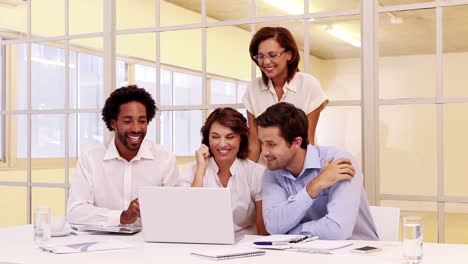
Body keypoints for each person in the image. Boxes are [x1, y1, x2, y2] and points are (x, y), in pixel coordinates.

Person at [256, 102, 378, 240]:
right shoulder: (272, 172)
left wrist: (290, 233)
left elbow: (337, 231)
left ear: (296, 142)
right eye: (261, 143)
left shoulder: (339, 162)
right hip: (306, 253)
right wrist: (314, 186)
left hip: (357, 254)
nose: (264, 152)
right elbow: (273, 226)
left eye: (271, 144)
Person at [67, 85, 179, 226]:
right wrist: (121, 217)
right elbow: (75, 211)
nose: (136, 128)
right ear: (113, 123)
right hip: (102, 242)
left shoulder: (165, 158)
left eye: (142, 121)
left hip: (149, 242)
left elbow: (176, 211)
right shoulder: (90, 158)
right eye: (127, 121)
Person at [243, 26, 328, 162]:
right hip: (265, 171)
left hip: (298, 169)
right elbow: (254, 143)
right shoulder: (253, 89)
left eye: (273, 55)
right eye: (261, 56)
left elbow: (308, 140)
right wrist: (245, 178)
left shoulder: (309, 85)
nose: (266, 62)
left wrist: (308, 176)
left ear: (289, 54)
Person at [179, 107, 268, 236]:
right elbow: (188, 219)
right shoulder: (191, 170)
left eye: (230, 137)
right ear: (207, 138)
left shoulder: (256, 173)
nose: (222, 144)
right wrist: (200, 171)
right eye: (215, 137)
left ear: (241, 138)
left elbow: (263, 231)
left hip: (245, 246)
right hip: (202, 243)